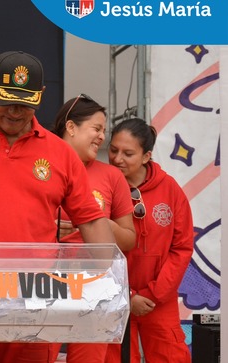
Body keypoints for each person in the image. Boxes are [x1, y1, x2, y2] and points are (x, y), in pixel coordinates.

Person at [0, 51, 116, 363]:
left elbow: (91, 221)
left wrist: (110, 278)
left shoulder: (60, 153)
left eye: (25, 103)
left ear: (40, 97)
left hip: (34, 298)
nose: (15, 112)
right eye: (6, 100)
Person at [51, 94, 136, 362]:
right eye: (96, 129)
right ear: (71, 127)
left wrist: (95, 223)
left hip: (94, 285)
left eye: (104, 131)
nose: (102, 137)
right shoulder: (41, 166)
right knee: (37, 353)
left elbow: (129, 240)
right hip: (45, 281)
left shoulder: (111, 176)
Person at [105, 118, 193, 363]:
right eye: (113, 150)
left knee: (171, 356)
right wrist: (128, 295)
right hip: (115, 298)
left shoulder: (170, 190)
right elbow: (94, 249)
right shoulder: (101, 187)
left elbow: (182, 248)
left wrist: (153, 294)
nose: (117, 158)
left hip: (158, 300)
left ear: (146, 156)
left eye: (128, 153)